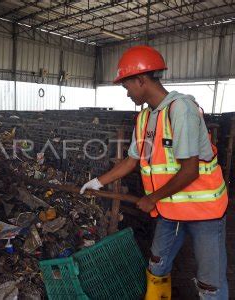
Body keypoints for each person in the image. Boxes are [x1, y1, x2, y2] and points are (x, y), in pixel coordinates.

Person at [80, 45, 228, 300]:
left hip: (205, 212)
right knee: (157, 264)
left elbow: (190, 170)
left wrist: (152, 198)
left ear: (141, 80)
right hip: (171, 211)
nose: (126, 94)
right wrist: (96, 182)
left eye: (127, 87)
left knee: (209, 284)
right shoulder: (145, 118)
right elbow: (131, 161)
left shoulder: (180, 109)